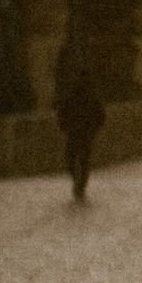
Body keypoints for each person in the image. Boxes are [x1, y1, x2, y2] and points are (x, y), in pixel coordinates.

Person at [55, 61, 106, 202]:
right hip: (84, 133)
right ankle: (80, 186)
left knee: (71, 159)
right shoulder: (91, 96)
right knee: (83, 161)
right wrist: (95, 129)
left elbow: (62, 112)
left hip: (74, 133)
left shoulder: (73, 94)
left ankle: (77, 184)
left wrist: (64, 127)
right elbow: (101, 116)